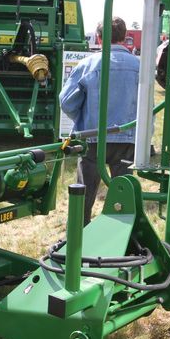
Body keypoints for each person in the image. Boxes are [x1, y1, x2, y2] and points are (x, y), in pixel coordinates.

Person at [59, 17, 140, 225]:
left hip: (92, 138)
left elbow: (67, 102)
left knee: (83, 195)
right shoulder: (139, 66)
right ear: (124, 37)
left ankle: (77, 237)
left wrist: (83, 118)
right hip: (128, 140)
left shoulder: (88, 64)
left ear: (98, 37)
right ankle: (122, 238)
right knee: (123, 193)